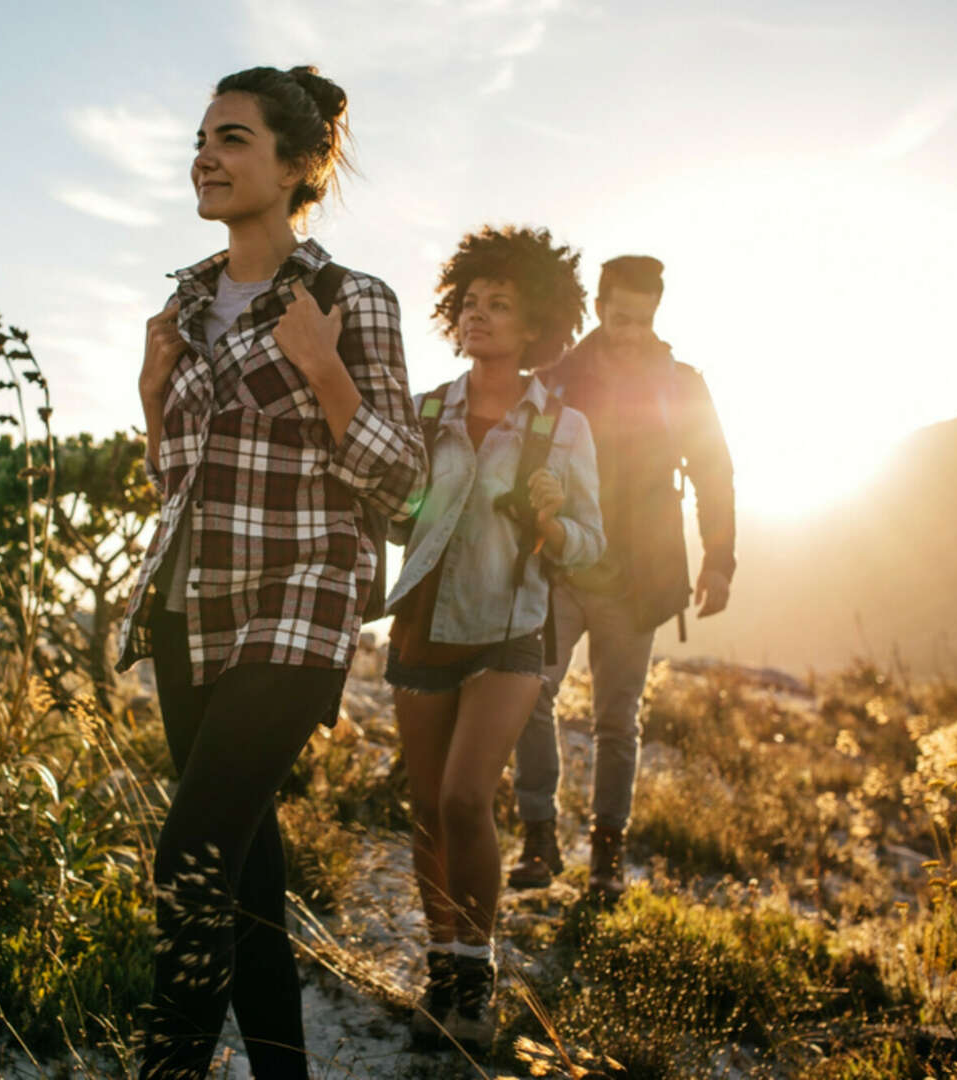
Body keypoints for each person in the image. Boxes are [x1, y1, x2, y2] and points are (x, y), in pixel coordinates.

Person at [114, 65, 428, 1079]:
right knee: (242, 869)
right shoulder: (186, 302)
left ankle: (168, 1068)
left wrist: (326, 371)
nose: (205, 155)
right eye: (202, 137)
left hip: (302, 600)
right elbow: (178, 480)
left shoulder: (349, 298)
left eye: (235, 138)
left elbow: (406, 483)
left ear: (298, 166)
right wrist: (153, 397)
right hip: (189, 604)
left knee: (190, 851)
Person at [386, 226, 604, 1049]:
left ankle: (474, 988)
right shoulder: (426, 411)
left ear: (537, 327)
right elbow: (395, 513)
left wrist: (552, 523)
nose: (479, 316)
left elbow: (594, 541)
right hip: (420, 625)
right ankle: (440, 973)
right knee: (423, 807)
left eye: (500, 305)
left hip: (511, 631)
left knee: (464, 798)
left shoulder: (564, 428)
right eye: (471, 303)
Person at [507, 255, 736, 899]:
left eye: (643, 318)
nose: (630, 329)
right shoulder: (558, 376)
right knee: (529, 694)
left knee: (617, 719)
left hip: (641, 577)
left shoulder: (682, 384)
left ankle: (607, 855)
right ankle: (538, 837)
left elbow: (716, 472)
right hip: (558, 564)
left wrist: (719, 560)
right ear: (601, 306)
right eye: (619, 315)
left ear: (656, 313)